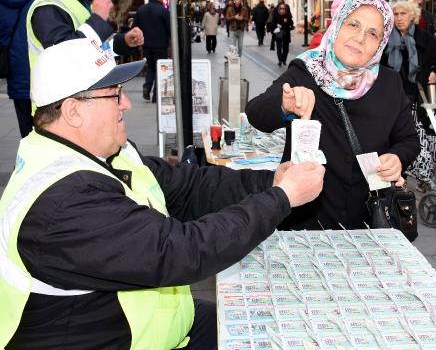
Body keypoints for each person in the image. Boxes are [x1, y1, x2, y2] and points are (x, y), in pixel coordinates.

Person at [0, 37, 325, 349]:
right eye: (114, 94)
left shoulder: (102, 152)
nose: (126, 103)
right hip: (108, 340)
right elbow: (180, 251)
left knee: (266, 325)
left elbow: (187, 187)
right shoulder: (64, 203)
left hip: (147, 327)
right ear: (73, 111)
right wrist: (281, 198)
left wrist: (269, 182)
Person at [246, 0, 420, 231]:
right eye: (353, 24)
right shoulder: (305, 72)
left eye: (372, 33)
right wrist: (284, 105)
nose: (359, 38)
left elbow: (409, 139)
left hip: (368, 223)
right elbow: (257, 114)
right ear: (337, 24)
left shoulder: (389, 82)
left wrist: (397, 158)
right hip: (305, 219)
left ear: (381, 43)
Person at [381, 0, 436, 192]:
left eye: (404, 13)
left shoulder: (424, 38)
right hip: (392, 99)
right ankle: (397, 176)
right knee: (394, 138)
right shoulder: (385, 41)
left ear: (413, 15)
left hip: (420, 98)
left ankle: (424, 178)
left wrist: (435, 72)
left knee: (424, 138)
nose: (400, 17)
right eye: (396, 14)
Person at [0, 0, 38, 138]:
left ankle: (28, 162)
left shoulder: (2, 3)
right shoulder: (39, 0)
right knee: (45, 129)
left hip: (14, 75)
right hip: (39, 75)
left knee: (25, 129)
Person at [133, 0, 170, 103]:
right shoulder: (163, 11)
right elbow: (170, 29)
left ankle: (147, 86)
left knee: (151, 67)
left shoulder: (141, 9)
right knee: (160, 69)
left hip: (146, 44)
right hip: (160, 45)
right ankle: (156, 95)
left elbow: (135, 27)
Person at [272, 2, 294, 67]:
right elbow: (272, 24)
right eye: (281, 8)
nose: (282, 10)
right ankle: (280, 60)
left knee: (286, 48)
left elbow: (291, 24)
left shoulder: (288, 16)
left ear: (285, 9)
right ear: (279, 9)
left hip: (286, 34)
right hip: (278, 34)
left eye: (284, 9)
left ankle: (284, 60)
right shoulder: (276, 16)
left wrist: (287, 22)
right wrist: (276, 25)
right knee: (278, 47)